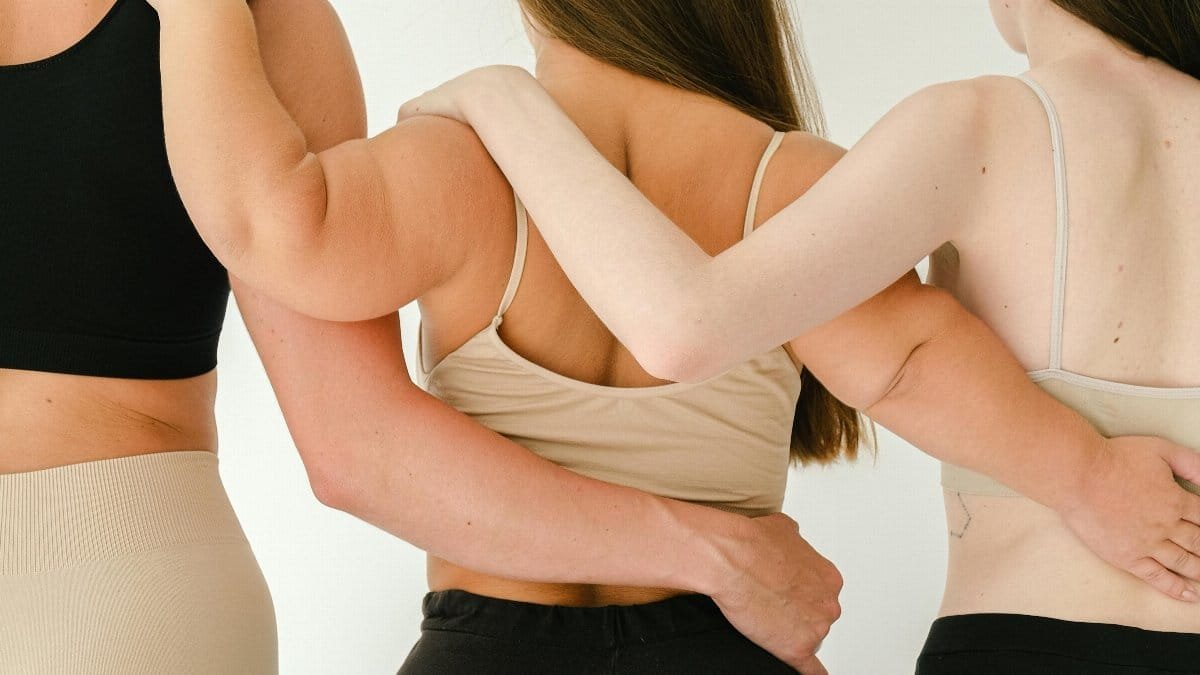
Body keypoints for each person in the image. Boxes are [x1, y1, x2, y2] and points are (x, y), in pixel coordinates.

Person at [148, 0, 1200, 671]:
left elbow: (270, 223)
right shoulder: (788, 182)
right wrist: (1085, 472)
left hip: (491, 651)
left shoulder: (457, 163)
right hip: (724, 646)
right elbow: (914, 359)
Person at [0, 1, 858, 672]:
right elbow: (354, 438)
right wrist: (722, 555)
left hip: (117, 581)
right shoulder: (803, 185)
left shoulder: (268, 33)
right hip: (124, 571)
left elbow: (352, 426)